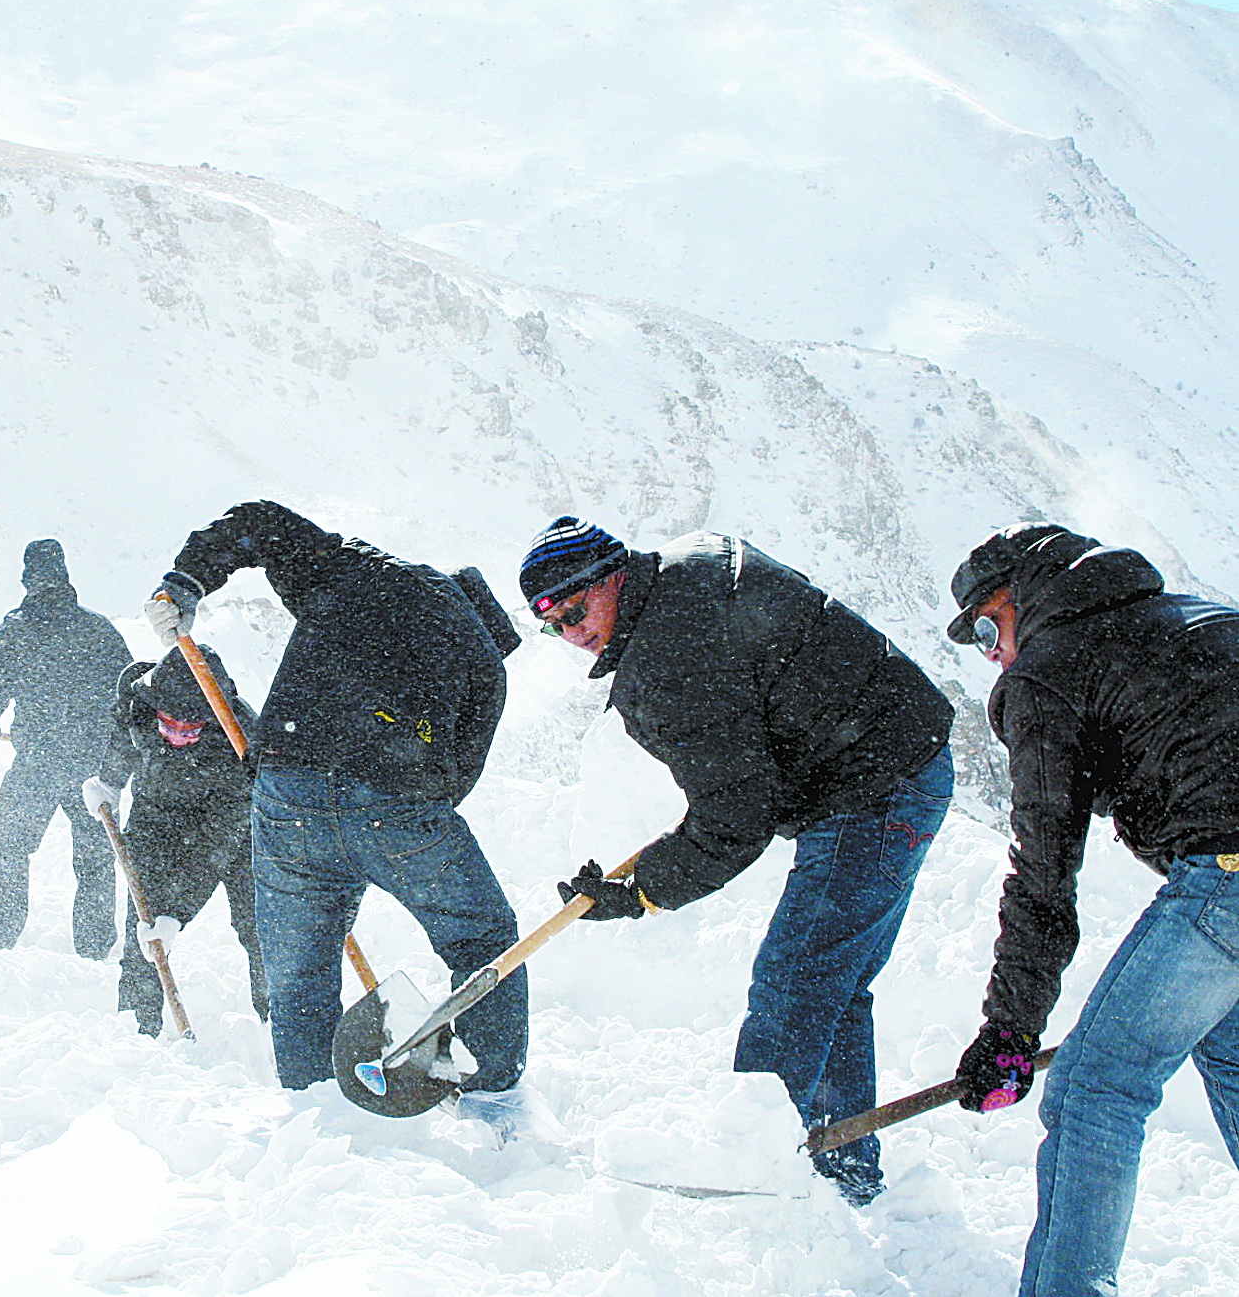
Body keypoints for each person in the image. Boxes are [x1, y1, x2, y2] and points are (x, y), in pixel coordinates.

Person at [521, 516, 953, 1204]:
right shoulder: (689, 572)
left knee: (796, 978)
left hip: (869, 784)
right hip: (902, 753)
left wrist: (642, 893)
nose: (572, 633)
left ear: (615, 575)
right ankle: (842, 1169)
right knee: (831, 982)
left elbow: (736, 815)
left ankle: (754, 1176)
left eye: (575, 609)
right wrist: (644, 880)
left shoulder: (665, 658)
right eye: (554, 626)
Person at [942, 523, 1239, 1296]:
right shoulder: (1195, 617)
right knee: (1231, 1053)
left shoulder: (1047, 674)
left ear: (1025, 595)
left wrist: (1011, 1032)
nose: (992, 654)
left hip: (1234, 874)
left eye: (985, 627)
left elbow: (1044, 873)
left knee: (1094, 1089)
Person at [147, 502, 523, 1094]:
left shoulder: (357, 572)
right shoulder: (482, 656)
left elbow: (264, 522)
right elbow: (459, 775)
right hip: (397, 806)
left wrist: (186, 580)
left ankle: (313, 1103)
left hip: (288, 789)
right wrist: (395, 817)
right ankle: (496, 1090)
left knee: (298, 973)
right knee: (481, 935)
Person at [81, 642, 269, 1037]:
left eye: (191, 730)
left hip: (231, 830)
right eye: (169, 726)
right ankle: (136, 1029)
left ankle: (280, 1025)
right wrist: (109, 782)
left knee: (261, 929)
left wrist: (177, 912)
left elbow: (213, 848)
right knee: (144, 928)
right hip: (156, 816)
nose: (178, 738)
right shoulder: (140, 705)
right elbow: (124, 738)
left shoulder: (240, 741)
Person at [0, 539, 133, 957]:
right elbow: (129, 691)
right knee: (96, 856)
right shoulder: (98, 629)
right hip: (90, 767)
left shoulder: (18, 627)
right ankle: (94, 946)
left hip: (37, 760)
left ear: (27, 577)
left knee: (8, 845)